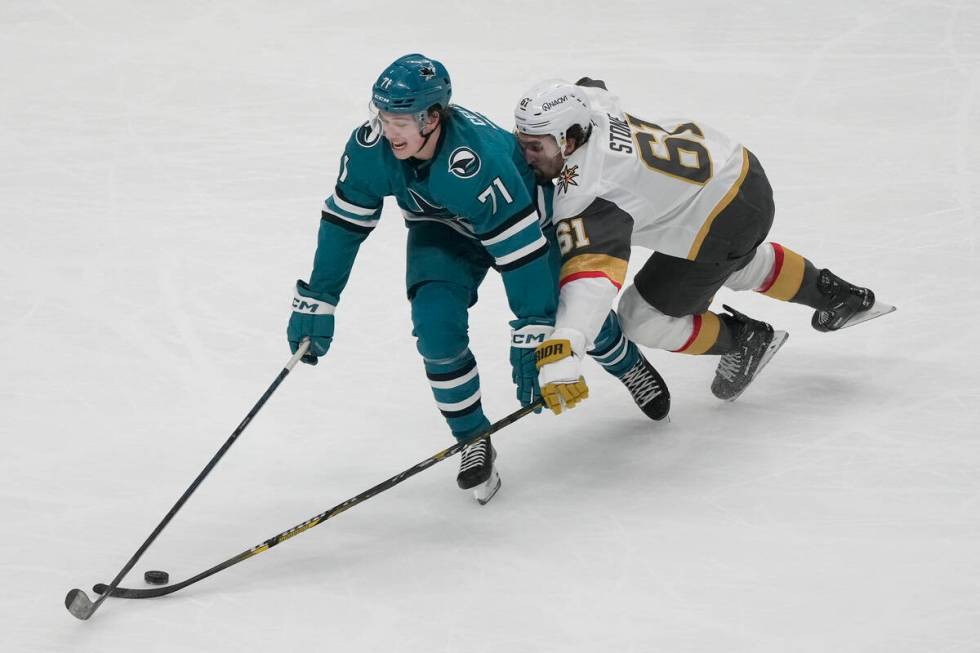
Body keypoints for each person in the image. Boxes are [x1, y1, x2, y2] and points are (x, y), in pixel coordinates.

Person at [286, 56, 669, 504]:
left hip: (526, 227)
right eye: (383, 116)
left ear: (433, 117)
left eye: (402, 120)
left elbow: (520, 254)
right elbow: (344, 225)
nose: (390, 131)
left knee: (572, 316)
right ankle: (471, 438)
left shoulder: (478, 160)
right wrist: (320, 297)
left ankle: (628, 364)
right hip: (443, 230)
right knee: (435, 334)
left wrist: (533, 325)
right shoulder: (370, 148)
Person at [514, 78, 894, 412]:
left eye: (536, 148)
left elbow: (591, 281)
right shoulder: (589, 109)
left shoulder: (588, 194)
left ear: (570, 139)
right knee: (730, 261)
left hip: (722, 219)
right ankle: (836, 295)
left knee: (640, 318)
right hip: (737, 166)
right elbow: (593, 87)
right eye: (522, 143)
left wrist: (566, 345)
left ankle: (745, 340)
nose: (526, 157)